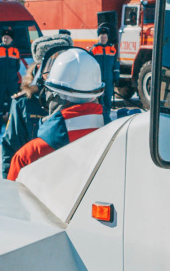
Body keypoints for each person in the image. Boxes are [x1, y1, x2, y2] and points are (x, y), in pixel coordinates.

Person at [6, 47, 107, 180]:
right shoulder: (123, 145)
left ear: (53, 95)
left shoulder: (28, 156)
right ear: (97, 94)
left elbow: (11, 197)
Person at [0, 34, 23, 112]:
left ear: (11, 39)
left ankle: (11, 117)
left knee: (13, 100)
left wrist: (12, 74)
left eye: (8, 38)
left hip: (12, 81)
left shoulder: (15, 51)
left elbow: (17, 66)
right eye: (4, 38)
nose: (5, 39)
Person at [89, 25, 120, 110]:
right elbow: (90, 65)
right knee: (97, 100)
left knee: (107, 100)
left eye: (105, 37)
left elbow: (116, 66)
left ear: (107, 38)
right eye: (101, 37)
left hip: (109, 80)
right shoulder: (94, 50)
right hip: (97, 80)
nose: (103, 39)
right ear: (98, 37)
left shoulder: (112, 50)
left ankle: (107, 115)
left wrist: (116, 78)